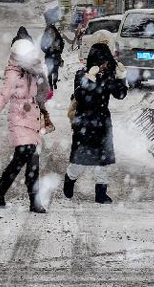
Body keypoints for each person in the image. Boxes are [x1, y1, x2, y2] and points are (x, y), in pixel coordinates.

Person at [0, 39, 51, 213]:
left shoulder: (33, 71)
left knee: (31, 162)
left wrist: (41, 74)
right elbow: (2, 97)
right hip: (19, 120)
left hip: (33, 120)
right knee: (23, 157)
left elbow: (44, 94)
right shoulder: (13, 73)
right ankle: (25, 198)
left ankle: (4, 196)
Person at [64, 30, 128, 204]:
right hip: (84, 120)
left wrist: (121, 78)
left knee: (103, 159)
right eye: (101, 61)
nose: (103, 65)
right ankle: (70, 179)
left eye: (105, 61)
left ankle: (101, 192)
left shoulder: (108, 76)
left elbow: (120, 95)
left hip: (102, 120)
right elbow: (81, 96)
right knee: (81, 158)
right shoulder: (82, 74)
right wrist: (90, 78)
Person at [40, 24, 65, 89]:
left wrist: (59, 50)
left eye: (51, 29)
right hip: (51, 56)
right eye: (49, 29)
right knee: (51, 71)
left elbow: (62, 43)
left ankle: (54, 83)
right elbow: (42, 46)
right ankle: (51, 84)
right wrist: (47, 50)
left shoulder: (56, 35)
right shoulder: (47, 36)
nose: (50, 31)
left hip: (54, 56)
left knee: (54, 70)